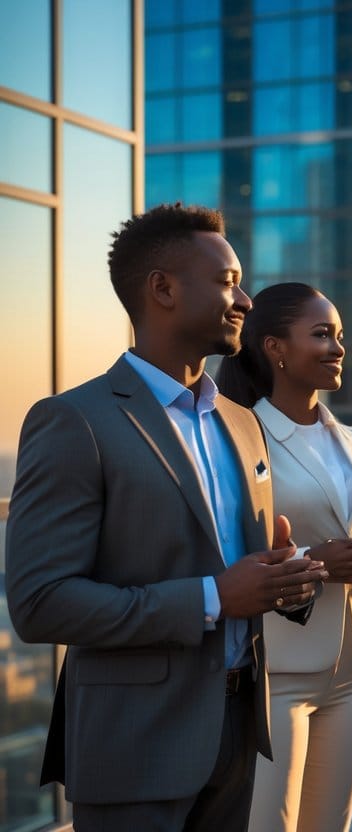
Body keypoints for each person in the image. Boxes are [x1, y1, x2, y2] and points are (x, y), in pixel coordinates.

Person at [4, 204, 324, 831]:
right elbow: (40, 603)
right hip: (134, 747)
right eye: (229, 281)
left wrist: (286, 580)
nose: (246, 299)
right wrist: (214, 596)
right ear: (164, 289)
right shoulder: (74, 422)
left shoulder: (242, 423)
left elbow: (241, 577)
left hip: (236, 737)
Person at [217, 282, 352, 832]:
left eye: (339, 335)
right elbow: (228, 547)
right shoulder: (240, 436)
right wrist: (316, 561)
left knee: (332, 824)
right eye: (321, 334)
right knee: (269, 824)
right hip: (279, 667)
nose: (338, 347)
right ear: (275, 348)